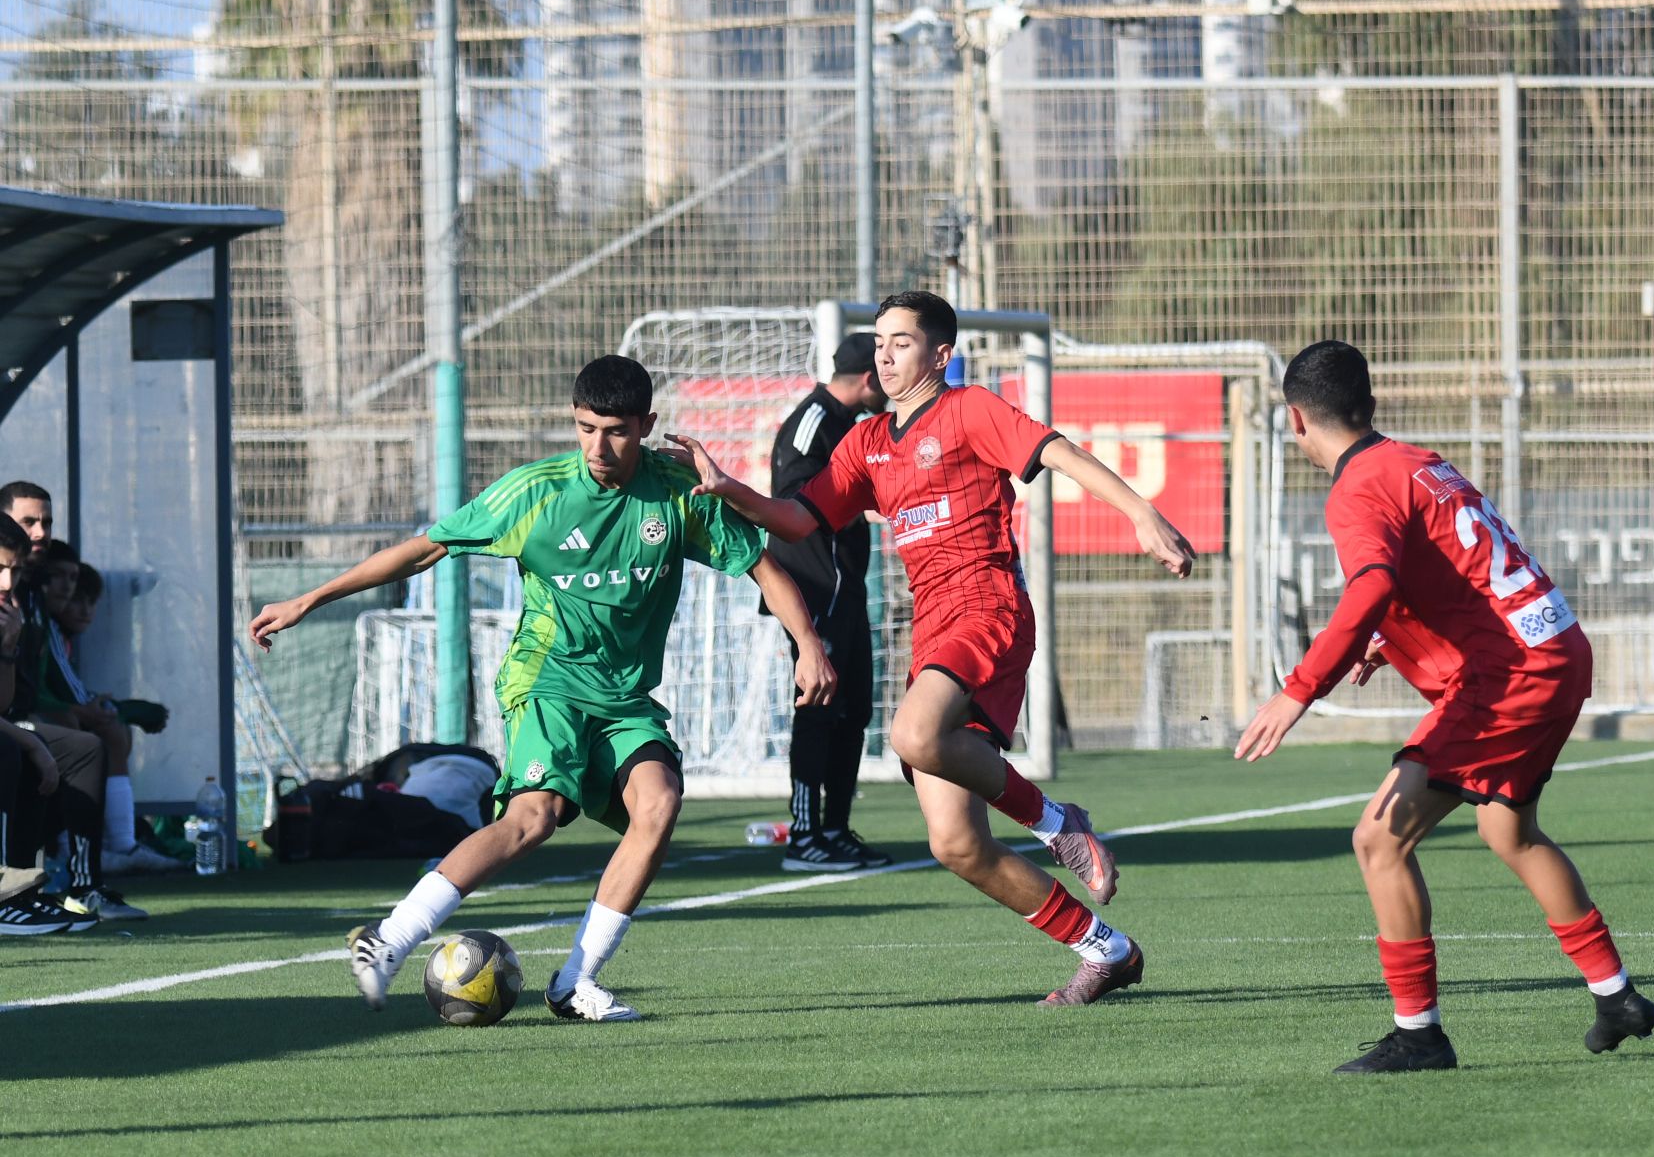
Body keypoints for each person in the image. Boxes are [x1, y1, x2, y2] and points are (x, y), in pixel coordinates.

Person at [249, 356, 837, 1023]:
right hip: (548, 680)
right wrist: (310, 599)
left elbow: (763, 566)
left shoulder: (679, 494)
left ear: (646, 425)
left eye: (615, 431)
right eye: (585, 428)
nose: (597, 447)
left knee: (659, 804)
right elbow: (424, 548)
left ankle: (575, 982)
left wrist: (809, 644)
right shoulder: (536, 493)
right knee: (534, 818)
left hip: (623, 697)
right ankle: (388, 938)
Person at [666, 291, 1197, 1006]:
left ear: (940, 354)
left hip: (988, 606)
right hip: (933, 628)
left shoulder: (968, 409)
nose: (884, 355)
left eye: (902, 342)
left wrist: (1141, 513)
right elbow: (796, 519)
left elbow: (1059, 451)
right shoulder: (866, 442)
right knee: (955, 844)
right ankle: (1106, 950)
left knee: (913, 734)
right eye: (880, 342)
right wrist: (726, 487)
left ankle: (1057, 823)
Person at [1235, 339, 1654, 1073]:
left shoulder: (1356, 487)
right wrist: (1387, 639)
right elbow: (1453, 567)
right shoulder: (1417, 461)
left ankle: (1419, 1036)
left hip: (1507, 675)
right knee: (1508, 830)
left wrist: (1299, 688)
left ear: (1295, 420)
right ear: (1368, 404)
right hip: (1555, 648)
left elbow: (1372, 583)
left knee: (1378, 842)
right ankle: (1615, 995)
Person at [763, 330, 891, 873]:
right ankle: (804, 836)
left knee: (854, 709)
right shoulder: (813, 419)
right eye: (884, 373)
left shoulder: (849, 424)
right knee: (817, 708)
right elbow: (792, 498)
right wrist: (856, 500)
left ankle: (835, 828)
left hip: (846, 591)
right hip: (812, 590)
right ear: (866, 378)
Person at [33, 541, 179, 880]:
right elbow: (49, 693)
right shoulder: (41, 623)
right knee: (88, 728)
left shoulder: (54, 630)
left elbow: (65, 690)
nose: (83, 608)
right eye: (76, 597)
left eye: (90, 601)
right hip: (24, 721)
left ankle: (117, 845)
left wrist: (107, 708)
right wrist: (119, 709)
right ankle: (76, 848)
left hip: (35, 716)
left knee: (108, 729)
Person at [0, 513, 99, 936]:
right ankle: (4, 895)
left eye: (15, 570)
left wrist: (7, 648)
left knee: (81, 748)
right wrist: (29, 742)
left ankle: (64, 890)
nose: (7, 582)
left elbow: (2, 704)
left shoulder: (13, 611)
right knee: (10, 748)